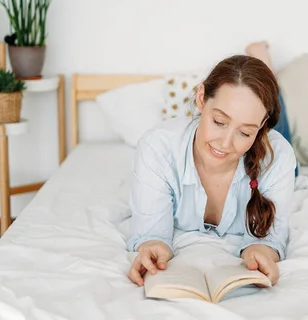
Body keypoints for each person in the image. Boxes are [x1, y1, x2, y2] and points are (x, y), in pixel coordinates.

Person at [127, 42, 297, 288]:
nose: (226, 144)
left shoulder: (278, 157)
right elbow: (151, 233)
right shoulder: (157, 147)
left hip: (271, 149)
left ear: (260, 128)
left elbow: (271, 240)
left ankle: (262, 60)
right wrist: (153, 247)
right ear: (200, 98)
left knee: (288, 149)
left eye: (245, 132)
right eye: (219, 121)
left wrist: (261, 251)